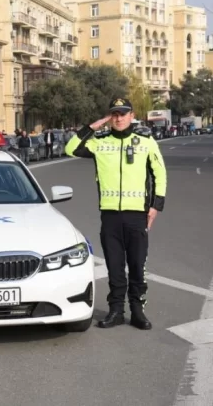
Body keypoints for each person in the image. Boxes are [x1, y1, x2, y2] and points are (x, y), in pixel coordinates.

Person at [64, 98, 167, 330]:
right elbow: (70, 148)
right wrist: (94, 126)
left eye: (123, 113)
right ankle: (116, 311)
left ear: (132, 115)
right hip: (110, 215)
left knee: (138, 265)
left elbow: (160, 173)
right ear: (110, 117)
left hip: (136, 215)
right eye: (114, 114)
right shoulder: (100, 143)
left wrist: (155, 206)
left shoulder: (146, 142)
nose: (119, 118)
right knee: (115, 266)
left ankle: (138, 310)